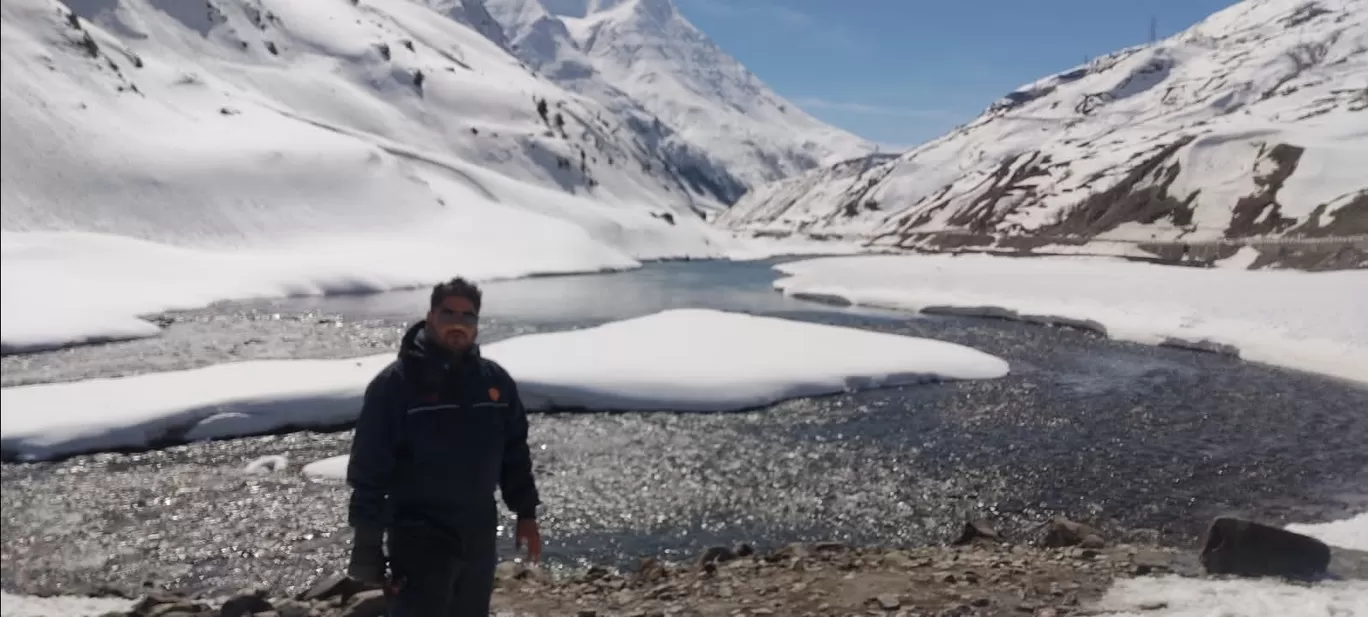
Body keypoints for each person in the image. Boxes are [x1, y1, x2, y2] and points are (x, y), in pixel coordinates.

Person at [344, 277, 542, 616]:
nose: (457, 324)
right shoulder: (396, 385)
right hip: (418, 534)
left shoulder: (494, 383)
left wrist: (525, 512)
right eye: (448, 313)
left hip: (478, 530)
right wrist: (368, 548)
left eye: (467, 317)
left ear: (477, 324)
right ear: (431, 316)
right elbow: (368, 471)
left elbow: (514, 454)